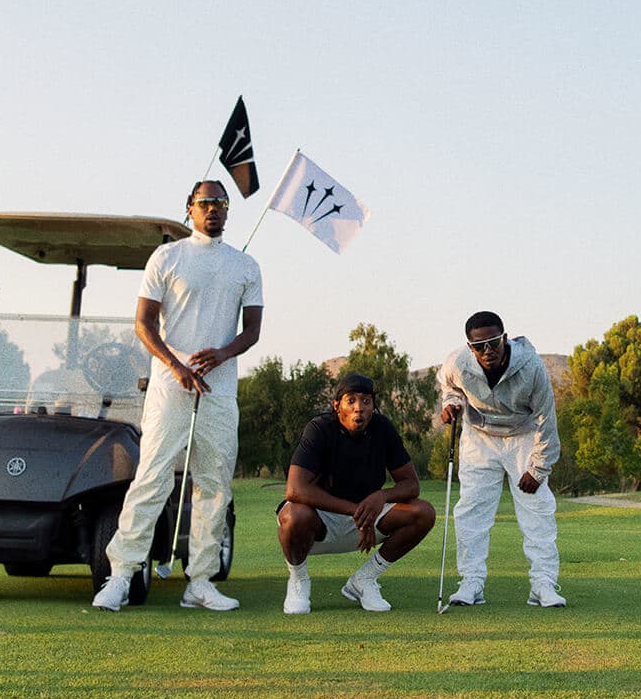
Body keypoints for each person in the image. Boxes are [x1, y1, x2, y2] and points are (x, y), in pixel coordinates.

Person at [93, 180, 263, 612]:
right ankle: (121, 576)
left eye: (221, 203)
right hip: (171, 388)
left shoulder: (245, 265)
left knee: (214, 485)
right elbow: (144, 324)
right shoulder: (167, 256)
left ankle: (201, 581)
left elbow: (252, 330)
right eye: (205, 203)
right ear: (189, 208)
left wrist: (222, 354)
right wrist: (175, 365)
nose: (213, 210)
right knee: (150, 478)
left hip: (219, 392)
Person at [275, 372, 438, 614]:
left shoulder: (383, 428)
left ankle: (364, 579)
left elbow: (411, 485)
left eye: (366, 401)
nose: (359, 408)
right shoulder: (319, 428)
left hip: (367, 516)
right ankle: (298, 580)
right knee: (293, 516)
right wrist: (358, 512)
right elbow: (295, 488)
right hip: (320, 521)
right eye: (351, 400)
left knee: (423, 512)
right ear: (336, 406)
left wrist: (380, 497)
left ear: (374, 405)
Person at [436, 312, 565, 607]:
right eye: (478, 346)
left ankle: (543, 584)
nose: (487, 351)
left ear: (504, 338)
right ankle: (471, 583)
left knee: (537, 510)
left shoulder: (532, 366)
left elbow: (547, 420)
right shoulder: (456, 363)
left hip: (522, 435)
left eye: (493, 343)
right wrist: (452, 403)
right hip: (479, 437)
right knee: (471, 510)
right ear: (469, 347)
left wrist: (538, 467)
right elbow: (449, 387)